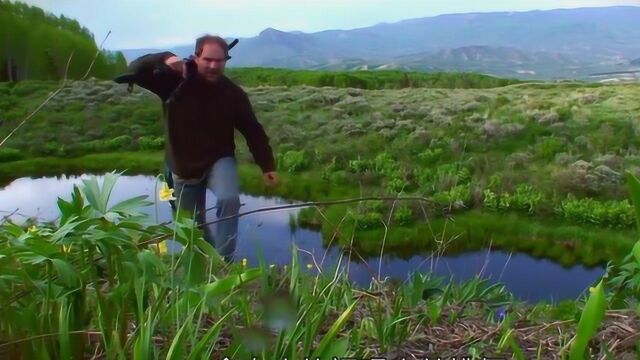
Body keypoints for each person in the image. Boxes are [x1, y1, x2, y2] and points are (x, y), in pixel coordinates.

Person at [127, 34, 278, 262]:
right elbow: (135, 68)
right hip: (183, 165)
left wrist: (267, 166)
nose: (213, 66)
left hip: (219, 159)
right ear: (197, 57)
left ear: (226, 60)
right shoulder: (172, 81)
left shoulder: (232, 94)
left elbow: (252, 130)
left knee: (229, 200)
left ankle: (224, 261)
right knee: (191, 227)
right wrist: (167, 58)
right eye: (208, 59)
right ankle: (204, 260)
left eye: (219, 61)